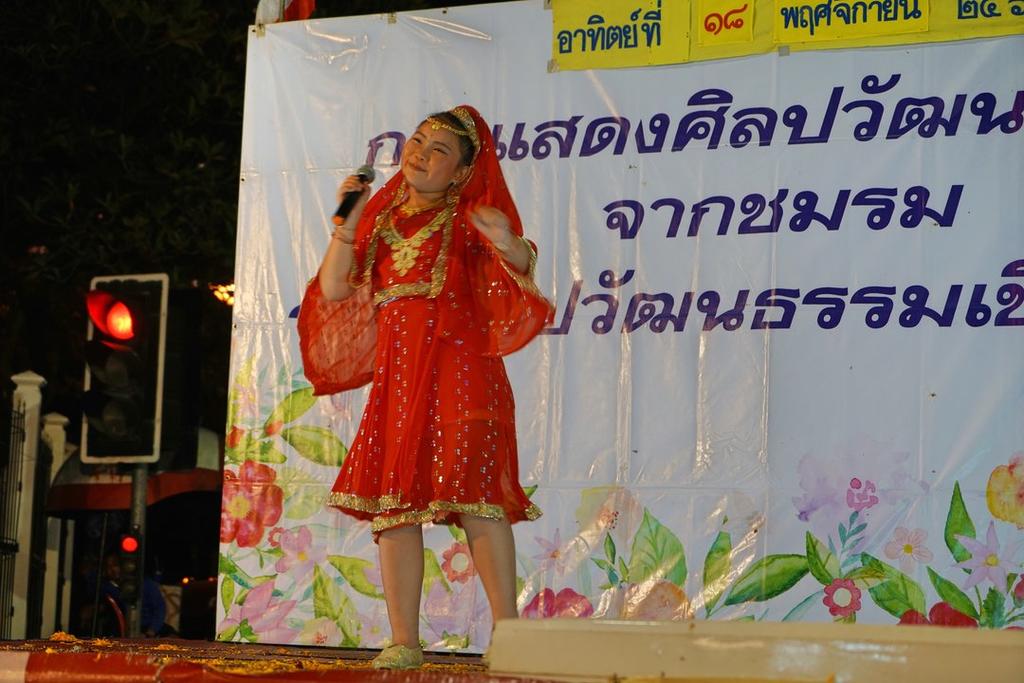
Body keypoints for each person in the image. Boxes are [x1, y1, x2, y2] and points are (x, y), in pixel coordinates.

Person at [298, 105, 553, 669]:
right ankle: (403, 641)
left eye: (439, 150)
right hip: (400, 380)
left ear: (461, 172)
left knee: (478, 501)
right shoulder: (380, 221)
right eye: (417, 141)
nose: (420, 153)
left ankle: (510, 637)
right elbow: (335, 286)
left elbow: (521, 259)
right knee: (395, 505)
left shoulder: (466, 218)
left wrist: (506, 240)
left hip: (465, 378)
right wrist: (348, 221)